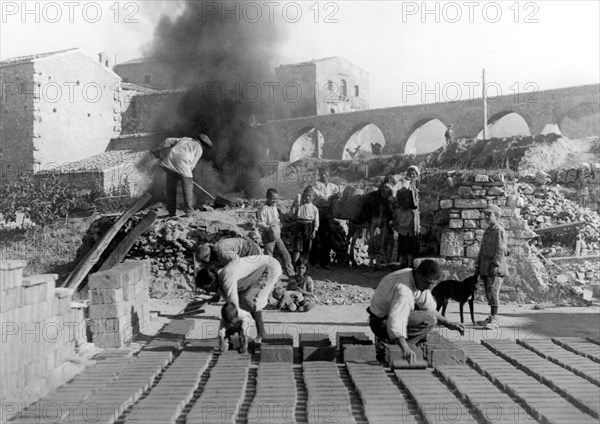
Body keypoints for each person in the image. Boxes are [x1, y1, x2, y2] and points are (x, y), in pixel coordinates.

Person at [367, 260, 465, 363]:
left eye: (431, 284)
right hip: (381, 322)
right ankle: (388, 344)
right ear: (419, 274)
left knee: (428, 318)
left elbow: (430, 308)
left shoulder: (415, 277)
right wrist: (405, 349)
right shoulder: (404, 290)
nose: (428, 287)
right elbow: (395, 321)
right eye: (427, 283)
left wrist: (449, 324)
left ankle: (391, 342)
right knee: (429, 320)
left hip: (386, 316)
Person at [195, 255, 282, 343]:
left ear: (212, 282)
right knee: (244, 301)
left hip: (269, 267)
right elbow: (228, 300)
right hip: (258, 270)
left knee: (250, 301)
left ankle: (262, 334)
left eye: (207, 288)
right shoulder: (219, 277)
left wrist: (233, 328)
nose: (208, 292)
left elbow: (233, 305)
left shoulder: (226, 277)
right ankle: (255, 333)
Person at [151, 134, 213, 217]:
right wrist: (185, 177)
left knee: (171, 189)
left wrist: (157, 150)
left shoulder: (185, 139)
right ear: (203, 145)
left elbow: (167, 140)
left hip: (169, 162)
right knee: (188, 188)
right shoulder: (199, 149)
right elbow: (192, 166)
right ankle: (189, 212)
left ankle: (171, 212)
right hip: (183, 166)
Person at [475, 204, 508, 330]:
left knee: (493, 292)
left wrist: (495, 265)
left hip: (495, 267)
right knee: (488, 292)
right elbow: (482, 250)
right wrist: (478, 265)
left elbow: (501, 250)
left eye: (489, 215)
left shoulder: (499, 231)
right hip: (485, 265)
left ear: (497, 216)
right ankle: (491, 316)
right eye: (485, 215)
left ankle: (495, 319)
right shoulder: (488, 231)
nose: (487, 217)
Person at [256, 189, 295, 276]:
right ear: (267, 197)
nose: (274, 200)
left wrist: (278, 224)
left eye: (276, 199)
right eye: (272, 198)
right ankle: (268, 277)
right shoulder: (263, 209)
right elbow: (259, 223)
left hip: (276, 235)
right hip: (268, 236)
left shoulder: (274, 207)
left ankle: (291, 274)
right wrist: (269, 228)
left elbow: (277, 219)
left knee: (285, 254)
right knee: (269, 258)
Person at [312, 169, 341, 269]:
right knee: (317, 237)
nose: (324, 175)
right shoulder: (316, 184)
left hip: (327, 213)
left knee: (327, 237)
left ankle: (325, 262)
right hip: (318, 211)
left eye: (326, 174)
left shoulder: (332, 186)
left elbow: (338, 194)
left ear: (329, 175)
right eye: (322, 173)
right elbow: (319, 196)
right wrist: (331, 196)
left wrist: (338, 195)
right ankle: (315, 261)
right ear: (319, 174)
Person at [393, 165, 421, 268]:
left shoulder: (415, 186)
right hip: (405, 216)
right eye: (410, 174)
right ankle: (402, 263)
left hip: (413, 219)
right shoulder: (404, 185)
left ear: (417, 175)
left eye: (414, 174)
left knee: (411, 241)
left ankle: (409, 263)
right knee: (403, 240)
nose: (412, 175)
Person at [291, 186, 319, 263]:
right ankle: (295, 265)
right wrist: (294, 206)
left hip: (309, 226)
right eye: (306, 195)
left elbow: (316, 221)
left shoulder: (314, 208)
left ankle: (305, 265)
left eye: (309, 195)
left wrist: (314, 231)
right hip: (299, 225)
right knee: (297, 247)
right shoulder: (300, 206)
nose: (307, 197)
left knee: (307, 248)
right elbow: (293, 214)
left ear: (313, 197)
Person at [195, 237, 261, 269]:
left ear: (208, 255)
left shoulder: (221, 251)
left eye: (204, 261)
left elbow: (238, 262)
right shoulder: (216, 252)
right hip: (246, 252)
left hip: (251, 251)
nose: (205, 263)